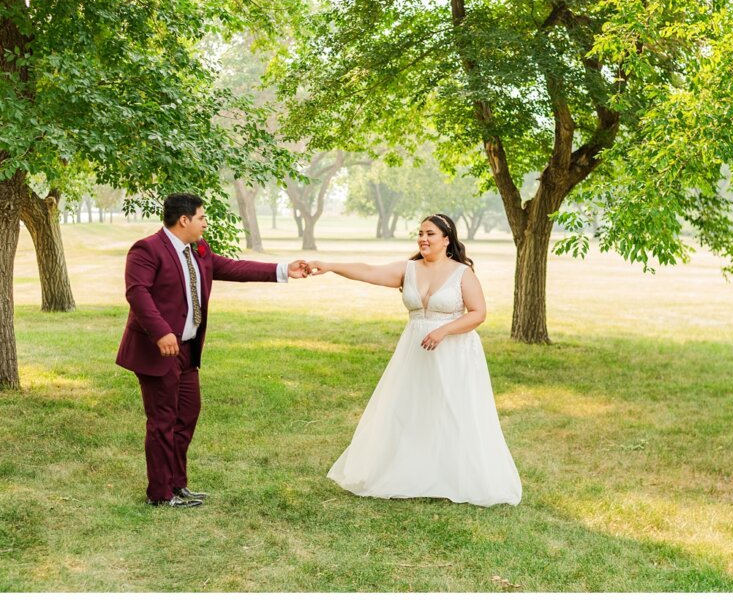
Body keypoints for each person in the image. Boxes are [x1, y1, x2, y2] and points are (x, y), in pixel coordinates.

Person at [306, 214, 521, 506]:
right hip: (415, 350)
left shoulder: (462, 273)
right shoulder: (409, 270)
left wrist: (444, 330)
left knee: (454, 410)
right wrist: (330, 266)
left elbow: (478, 313)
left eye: (430, 234)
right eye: (420, 233)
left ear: (447, 239)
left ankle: (458, 473)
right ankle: (408, 470)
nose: (423, 239)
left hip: (453, 351)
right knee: (409, 407)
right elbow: (368, 271)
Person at [116, 193, 308, 508]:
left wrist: (285, 270)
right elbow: (137, 293)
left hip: (187, 350)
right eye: (202, 217)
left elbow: (235, 268)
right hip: (158, 350)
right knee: (163, 421)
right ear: (184, 220)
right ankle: (160, 494)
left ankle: (177, 485)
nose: (205, 223)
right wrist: (161, 331)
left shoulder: (199, 251)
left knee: (187, 415)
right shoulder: (146, 250)